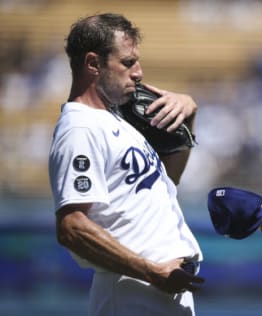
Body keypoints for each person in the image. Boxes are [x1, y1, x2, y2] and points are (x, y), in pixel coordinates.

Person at [48, 13, 204, 316]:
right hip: (132, 293)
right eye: (128, 62)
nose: (138, 73)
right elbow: (71, 227)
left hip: (159, 289)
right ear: (93, 63)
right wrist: (150, 271)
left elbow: (169, 183)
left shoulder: (114, 120)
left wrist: (188, 121)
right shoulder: (81, 129)